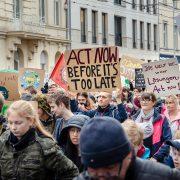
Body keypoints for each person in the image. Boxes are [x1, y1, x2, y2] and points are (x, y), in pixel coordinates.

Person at [74, 117, 180, 180]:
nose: (102, 178)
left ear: (129, 155)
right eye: (94, 169)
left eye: (110, 167)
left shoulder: (163, 177)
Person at [0, 100, 79, 179]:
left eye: (18, 123)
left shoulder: (45, 146)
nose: (13, 127)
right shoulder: (3, 140)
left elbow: (71, 172)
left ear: (30, 121)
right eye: (10, 123)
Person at [132, 92, 172, 162]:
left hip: (156, 160)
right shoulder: (134, 118)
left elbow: (168, 140)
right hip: (137, 159)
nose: (144, 102)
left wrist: (156, 157)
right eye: (142, 100)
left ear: (153, 102)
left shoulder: (161, 118)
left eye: (148, 100)